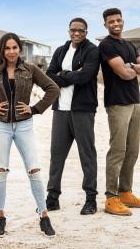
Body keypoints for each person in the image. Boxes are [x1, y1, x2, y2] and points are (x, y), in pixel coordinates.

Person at [0, 33, 59, 237]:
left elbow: (53, 88)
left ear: (20, 49)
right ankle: (0, 218)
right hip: (1, 126)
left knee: (34, 171)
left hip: (25, 125)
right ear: (2, 50)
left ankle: (44, 216)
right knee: (0, 172)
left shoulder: (30, 70)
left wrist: (35, 108)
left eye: (15, 47)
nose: (11, 51)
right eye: (7, 48)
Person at [45, 18, 99, 215]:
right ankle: (52, 198)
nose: (76, 34)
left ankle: (91, 199)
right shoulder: (60, 51)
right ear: (69, 31)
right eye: (73, 30)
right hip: (60, 110)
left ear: (86, 32)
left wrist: (62, 74)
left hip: (83, 110)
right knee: (56, 155)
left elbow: (85, 76)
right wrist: (70, 74)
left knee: (87, 155)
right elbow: (49, 76)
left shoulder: (92, 51)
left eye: (81, 31)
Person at [98, 8, 140, 216]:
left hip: (135, 102)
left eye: (118, 20)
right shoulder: (106, 45)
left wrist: (132, 66)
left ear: (123, 21)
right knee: (118, 150)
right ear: (105, 25)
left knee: (133, 150)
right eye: (111, 21)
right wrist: (133, 67)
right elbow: (125, 73)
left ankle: (126, 192)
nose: (115, 23)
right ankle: (111, 197)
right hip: (117, 103)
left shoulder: (129, 45)